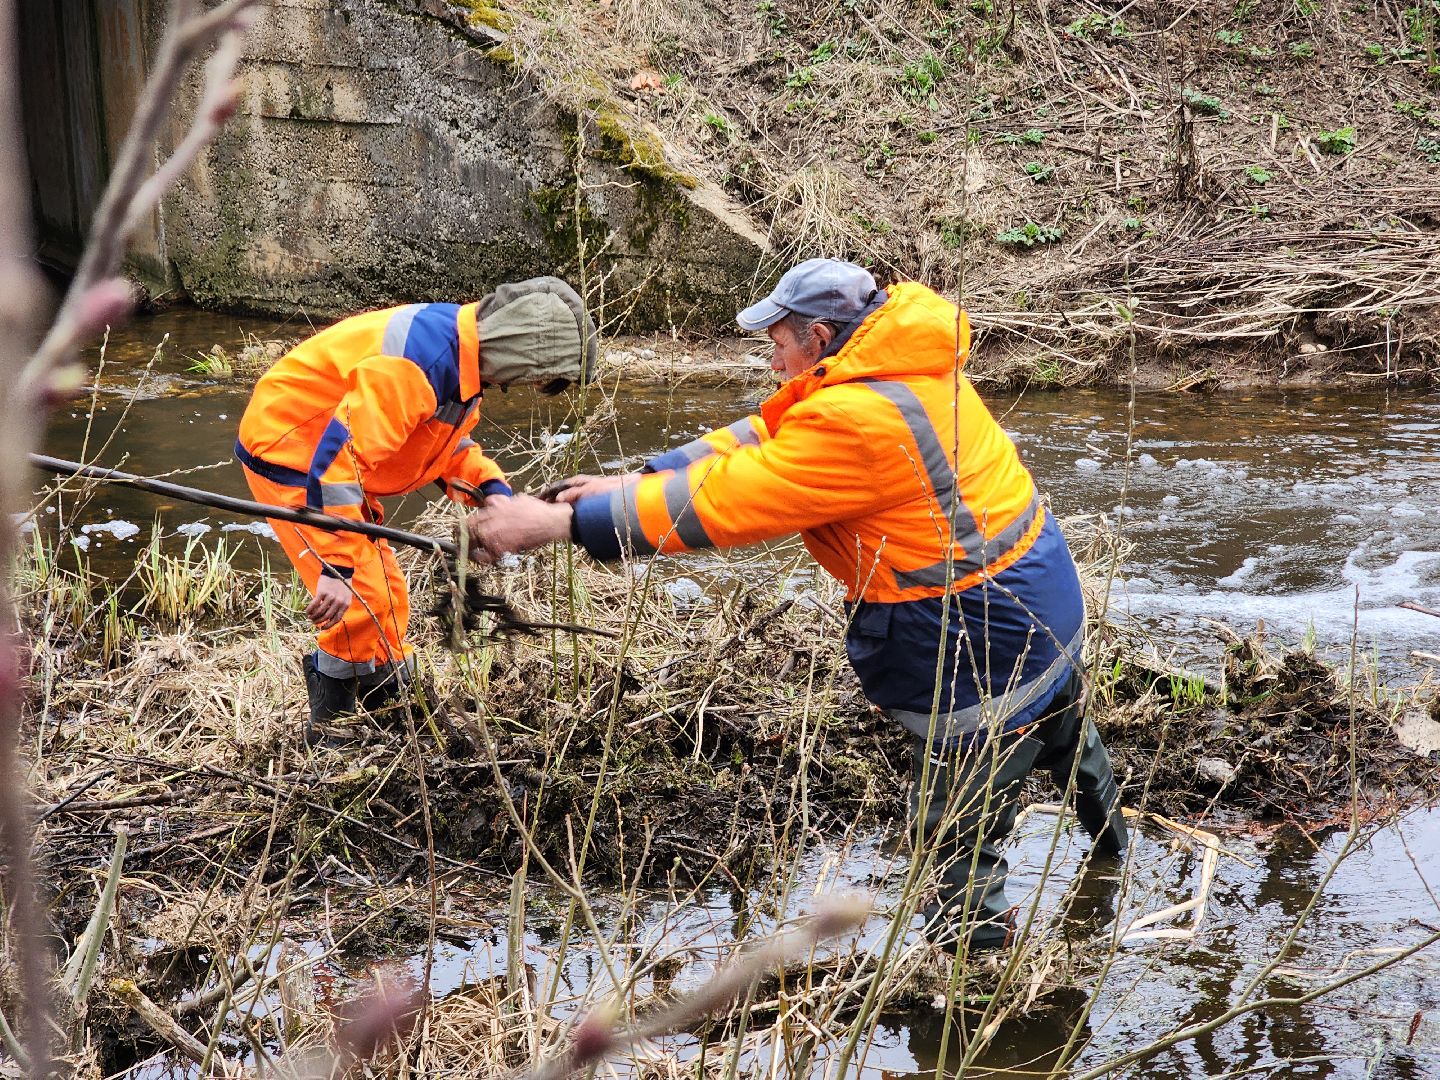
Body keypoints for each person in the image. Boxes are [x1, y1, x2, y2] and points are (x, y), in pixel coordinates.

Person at [464, 258, 1126, 951]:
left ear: (816, 335)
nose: (772, 358)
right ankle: (1113, 855)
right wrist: (638, 478)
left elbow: (728, 502)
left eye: (777, 342)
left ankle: (974, 974)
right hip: (1041, 593)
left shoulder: (858, 420)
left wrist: (564, 524)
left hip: (974, 630)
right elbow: (763, 436)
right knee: (1064, 726)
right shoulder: (896, 367)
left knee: (955, 818)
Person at [235, 277, 597, 744]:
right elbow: (340, 459)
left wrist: (493, 492)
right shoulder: (417, 365)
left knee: (387, 590)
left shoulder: (462, 361)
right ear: (520, 350)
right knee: (363, 599)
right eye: (529, 378)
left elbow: (441, 445)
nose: (516, 387)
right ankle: (332, 735)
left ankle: (387, 699)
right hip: (295, 456)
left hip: (336, 463)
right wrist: (337, 566)